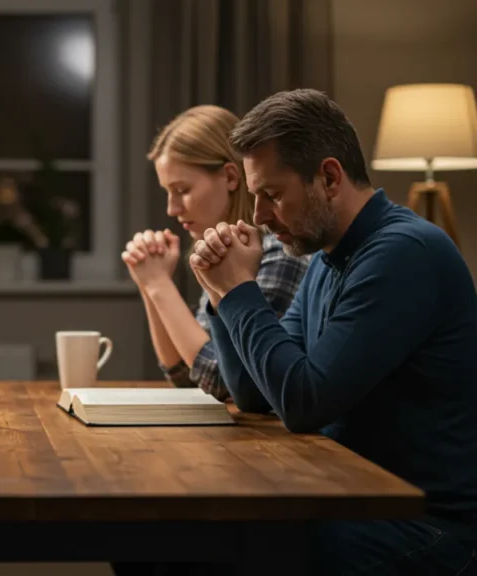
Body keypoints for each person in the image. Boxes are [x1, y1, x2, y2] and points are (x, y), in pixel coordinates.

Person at [190, 88, 477, 574]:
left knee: (239, 543)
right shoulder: (328, 257)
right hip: (357, 499)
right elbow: (260, 395)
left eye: (272, 195)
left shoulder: (404, 253)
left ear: (328, 177)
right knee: (178, 540)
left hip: (429, 525)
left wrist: (240, 289)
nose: (257, 217)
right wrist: (221, 298)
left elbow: (304, 404)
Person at [121, 105, 309, 401]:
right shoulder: (224, 251)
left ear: (231, 177)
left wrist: (160, 285)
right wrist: (149, 281)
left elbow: (221, 379)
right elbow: (184, 374)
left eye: (182, 190)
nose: (172, 209)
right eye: (167, 192)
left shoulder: (277, 253)